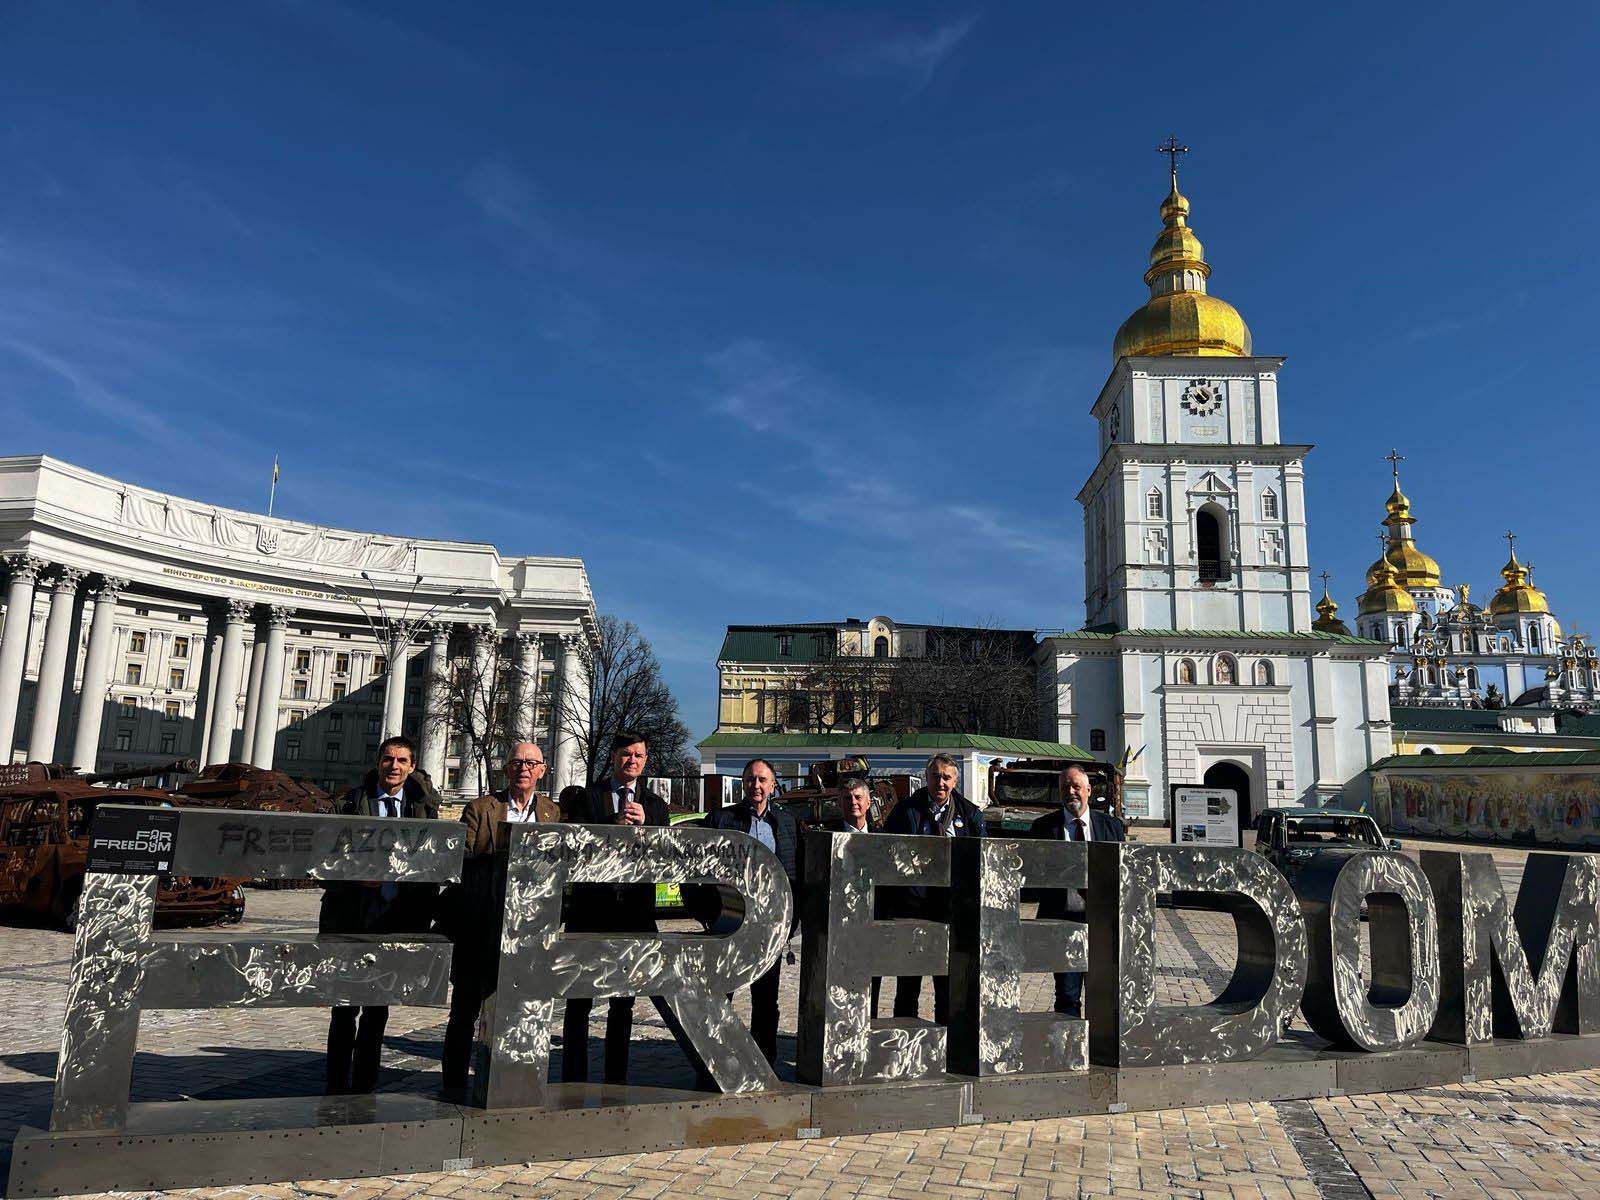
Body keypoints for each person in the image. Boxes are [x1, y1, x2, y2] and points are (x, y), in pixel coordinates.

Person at [322, 736, 439, 1094]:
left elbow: (432, 858)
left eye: (402, 760)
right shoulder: (350, 803)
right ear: (377, 762)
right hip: (351, 915)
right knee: (344, 1006)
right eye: (388, 759)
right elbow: (326, 855)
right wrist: (356, 875)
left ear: (412, 766)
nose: (394, 766)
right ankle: (336, 1082)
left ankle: (365, 1083)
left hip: (397, 916)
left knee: (378, 1008)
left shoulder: (421, 807)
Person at [559, 730, 669, 1084]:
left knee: (623, 1003)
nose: (631, 761)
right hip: (591, 911)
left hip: (632, 912)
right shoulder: (587, 797)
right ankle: (573, 1076)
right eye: (625, 754)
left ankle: (616, 1077)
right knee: (580, 999)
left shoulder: (655, 805)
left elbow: (667, 856)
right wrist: (613, 825)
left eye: (638, 755)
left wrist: (647, 826)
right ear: (612, 757)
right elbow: (573, 844)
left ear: (645, 760)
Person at [441, 741, 549, 1091]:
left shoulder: (551, 813)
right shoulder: (481, 808)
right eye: (517, 762)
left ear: (542, 771)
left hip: (526, 934)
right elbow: (464, 859)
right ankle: (453, 1083)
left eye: (531, 764)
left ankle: (509, 1083)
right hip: (480, 926)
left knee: (519, 1014)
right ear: (507, 769)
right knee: (464, 1013)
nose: (524, 769)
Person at [703, 757, 800, 1065]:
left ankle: (764, 1061)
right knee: (721, 996)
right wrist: (708, 915)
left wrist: (790, 921)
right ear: (743, 783)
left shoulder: (787, 824)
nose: (756, 785)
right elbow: (698, 872)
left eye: (762, 780)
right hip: (730, 924)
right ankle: (716, 1059)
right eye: (750, 780)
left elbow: (796, 875)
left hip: (769, 927)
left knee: (766, 998)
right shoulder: (721, 819)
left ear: (772, 785)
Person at [883, 753, 984, 1023]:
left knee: (948, 985)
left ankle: (946, 1042)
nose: (941, 782)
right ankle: (905, 1040)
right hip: (913, 908)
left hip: (951, 912)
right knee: (908, 984)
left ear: (955, 781)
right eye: (936, 776)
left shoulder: (970, 814)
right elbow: (887, 854)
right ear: (926, 778)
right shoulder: (906, 812)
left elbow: (981, 859)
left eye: (946, 777)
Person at [1029, 763, 1127, 1017]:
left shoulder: (1111, 826)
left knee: (1104, 990)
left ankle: (1098, 1047)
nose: (1070, 791)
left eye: (1076, 786)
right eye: (1065, 787)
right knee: (1067, 992)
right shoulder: (1042, 828)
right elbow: (1033, 874)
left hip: (1102, 923)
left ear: (1089, 790)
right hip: (1063, 922)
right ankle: (1068, 1048)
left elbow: (1124, 872)